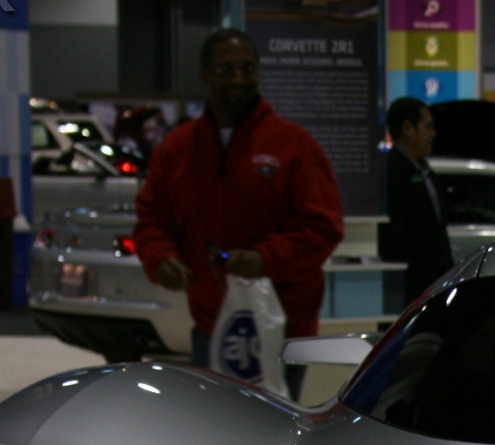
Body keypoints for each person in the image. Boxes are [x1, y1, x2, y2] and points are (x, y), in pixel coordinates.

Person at [132, 28, 344, 383]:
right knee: (217, 432)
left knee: (279, 432)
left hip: (285, 330)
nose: (239, 79)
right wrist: (161, 258)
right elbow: (151, 221)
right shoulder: (177, 150)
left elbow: (323, 227)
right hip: (212, 325)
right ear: (205, 76)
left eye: (247, 69)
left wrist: (266, 258)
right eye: (226, 70)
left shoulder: (294, 145)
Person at [380, 96, 453, 305]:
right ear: (407, 128)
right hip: (408, 286)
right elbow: (396, 236)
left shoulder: (425, 169)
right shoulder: (391, 172)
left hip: (433, 283)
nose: (433, 134)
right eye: (428, 127)